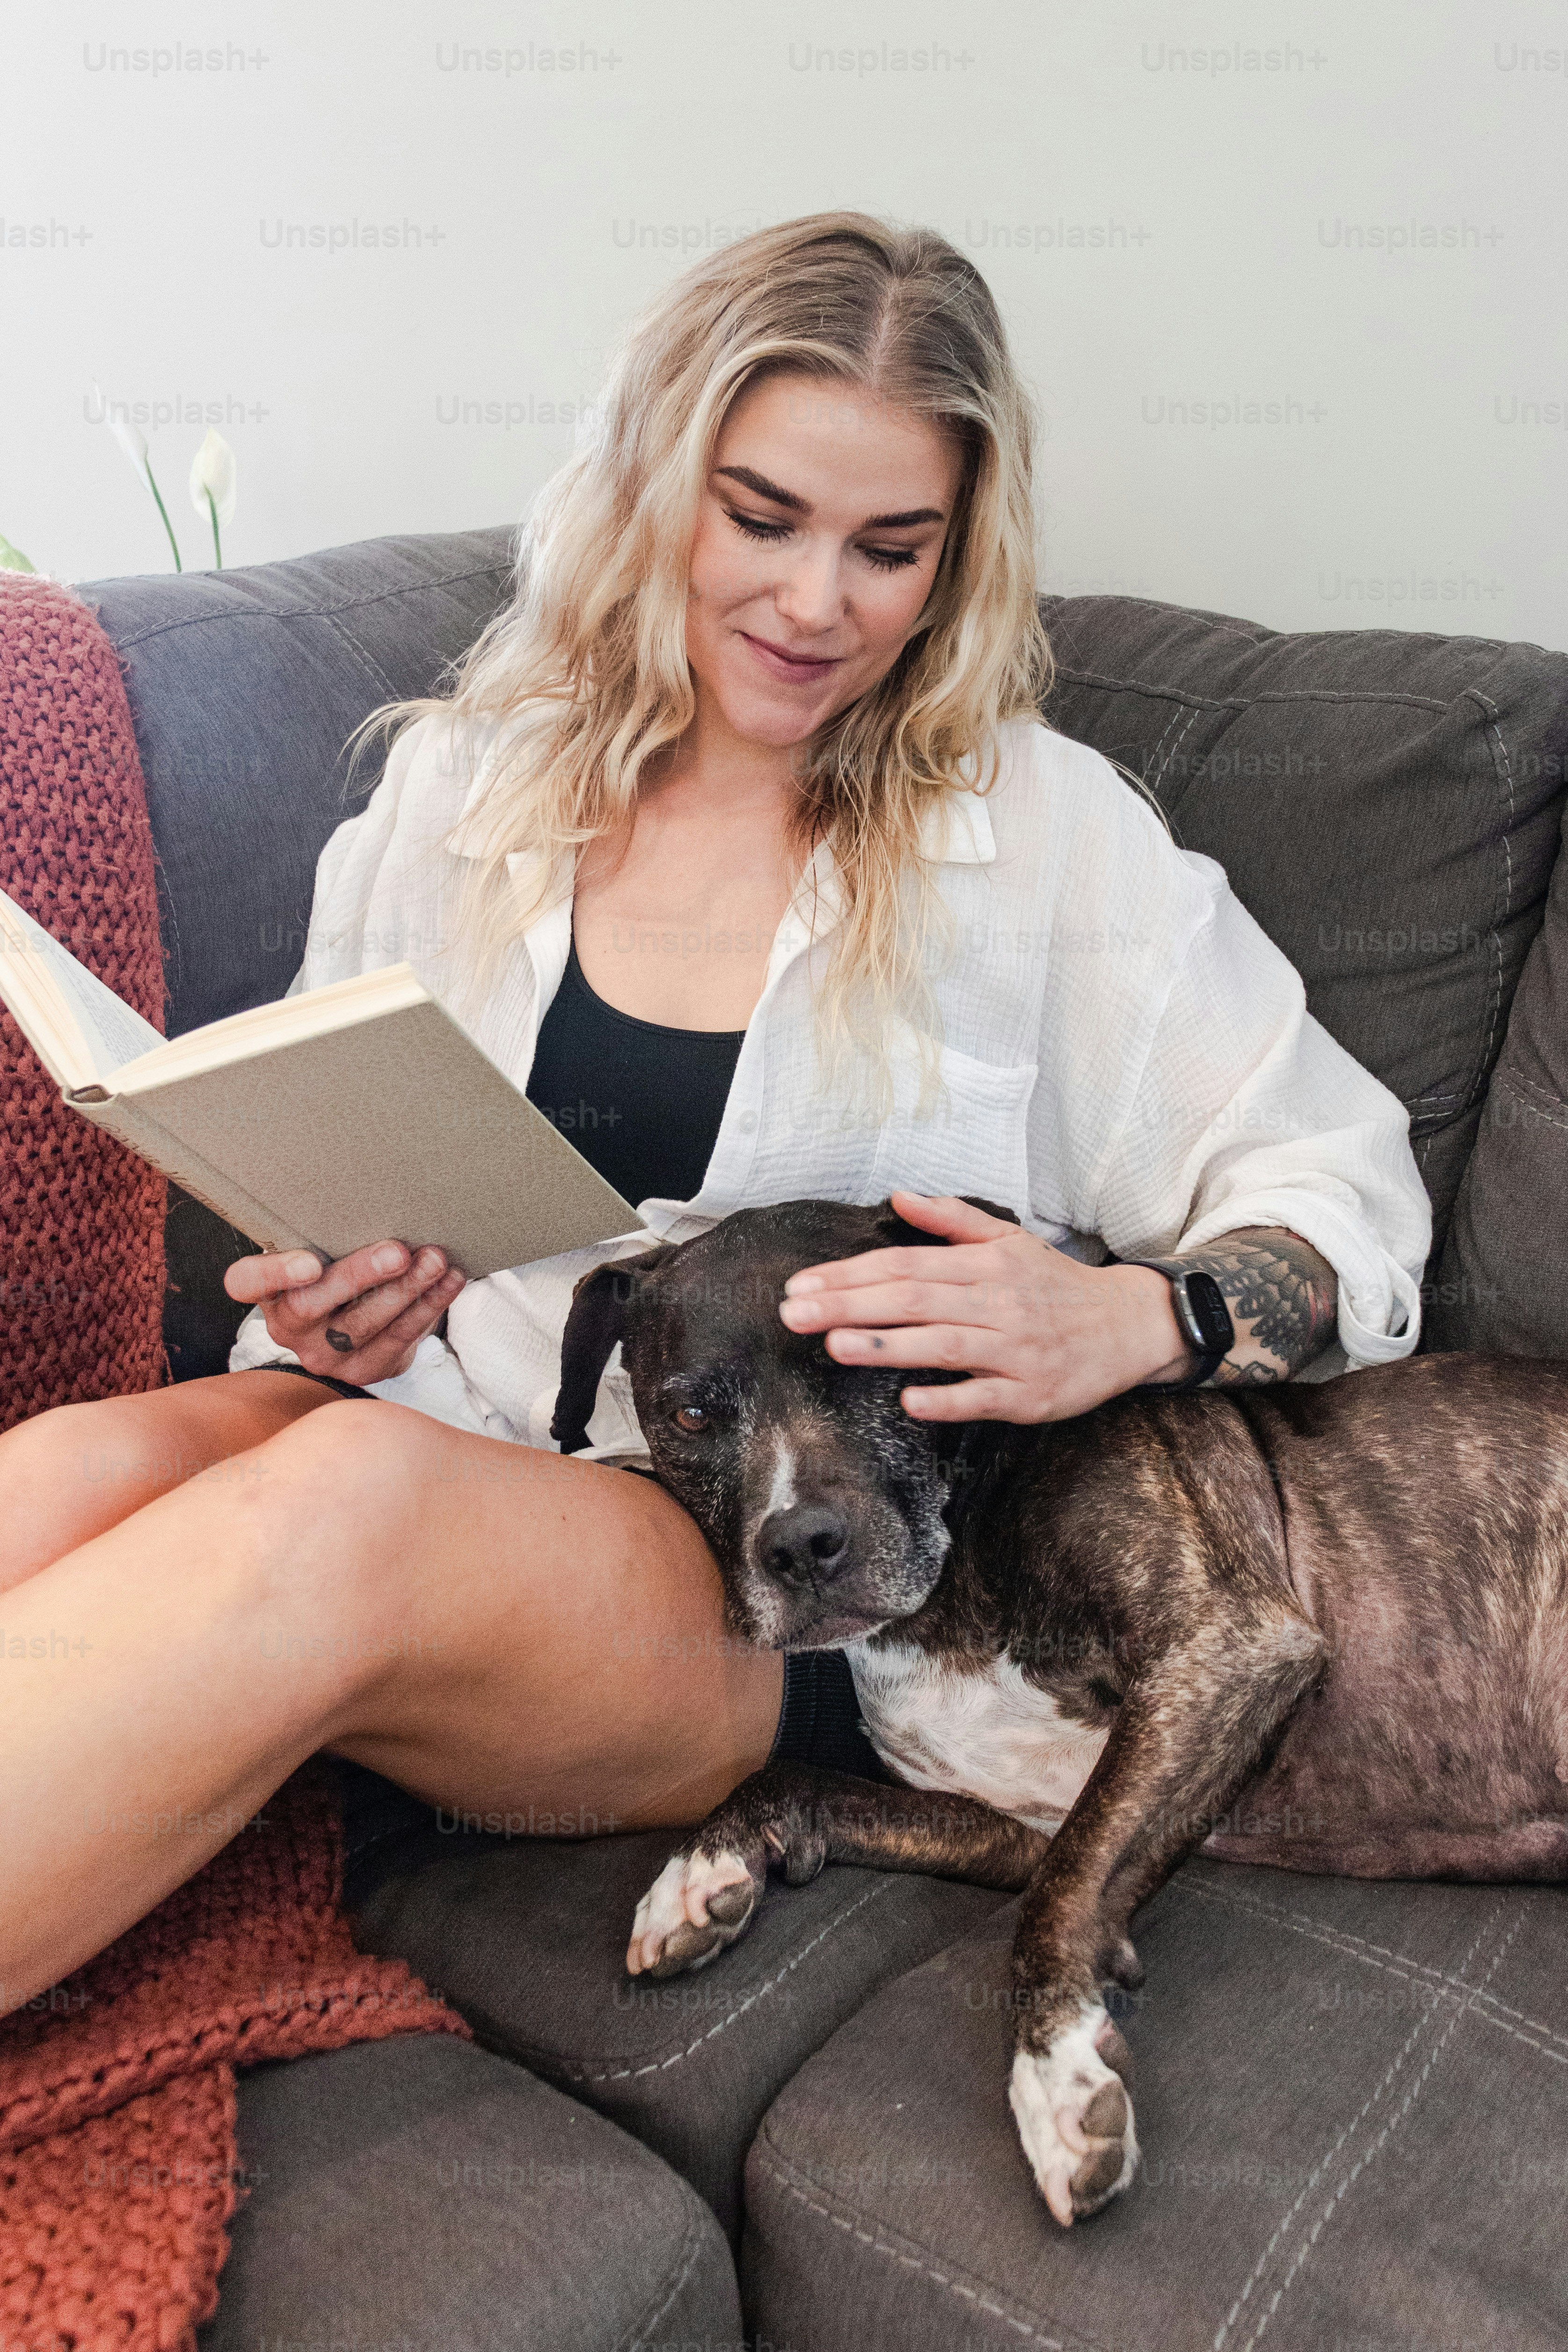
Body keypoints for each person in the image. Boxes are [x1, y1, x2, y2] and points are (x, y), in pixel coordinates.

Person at [0, 213, 1429, 2016]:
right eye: (762, 519)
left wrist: (1144, 1310)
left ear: (958, 562)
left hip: (775, 1577)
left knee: (335, 1502)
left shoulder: (1045, 839)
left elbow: (1349, 1195)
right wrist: (333, 1283)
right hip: (438, 1409)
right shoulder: (469, 780)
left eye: (889, 547)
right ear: (652, 483)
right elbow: (326, 1144)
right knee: (79, 1461)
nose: (818, 602)